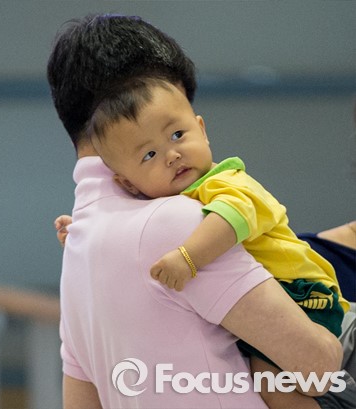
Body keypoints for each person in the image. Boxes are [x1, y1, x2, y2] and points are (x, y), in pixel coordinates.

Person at [47, 14, 347, 408]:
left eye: (177, 133)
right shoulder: (179, 222)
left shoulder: (78, 250)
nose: (173, 155)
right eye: (150, 150)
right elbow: (319, 364)